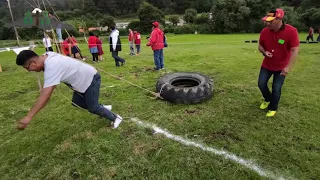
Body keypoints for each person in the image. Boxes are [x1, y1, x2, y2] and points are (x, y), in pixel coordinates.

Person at [15, 50, 123, 130]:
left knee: (93, 108)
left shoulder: (51, 65)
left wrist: (29, 117)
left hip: (90, 79)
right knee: (77, 103)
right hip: (80, 83)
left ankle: (116, 118)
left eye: (27, 68)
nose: (29, 71)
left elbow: (46, 95)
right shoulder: (47, 55)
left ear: (33, 62)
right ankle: (102, 108)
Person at [258, 8, 300, 117]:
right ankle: (268, 99)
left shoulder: (291, 31)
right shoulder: (265, 31)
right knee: (261, 84)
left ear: (279, 19)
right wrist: (264, 52)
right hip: (267, 64)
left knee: (276, 87)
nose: (267, 23)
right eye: (267, 20)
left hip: (281, 66)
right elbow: (260, 46)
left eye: (270, 21)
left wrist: (288, 67)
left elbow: (295, 49)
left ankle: (273, 107)